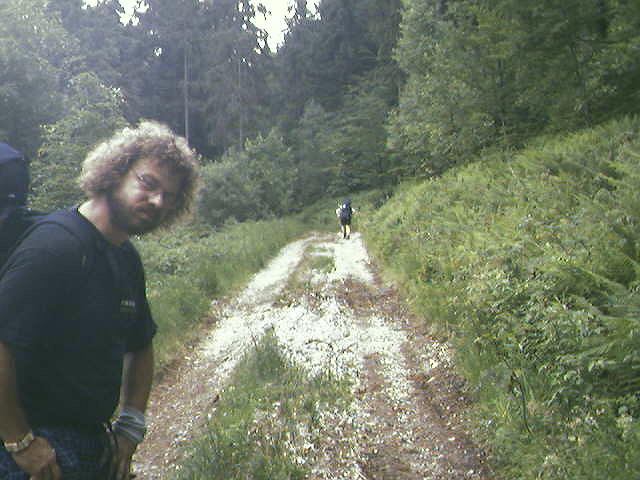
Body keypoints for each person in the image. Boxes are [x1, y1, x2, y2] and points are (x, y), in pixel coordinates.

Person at [0, 120, 199, 480]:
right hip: (35, 451)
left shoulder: (125, 256)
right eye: (148, 183)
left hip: (91, 442)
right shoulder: (55, 247)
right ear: (115, 171)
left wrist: (131, 427)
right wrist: (20, 442)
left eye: (169, 196)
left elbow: (141, 342)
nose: (158, 201)